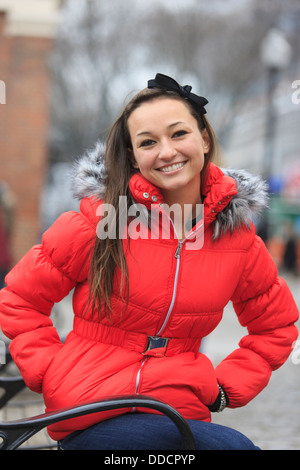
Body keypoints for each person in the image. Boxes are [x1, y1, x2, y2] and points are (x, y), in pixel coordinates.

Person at [0, 74, 298, 450]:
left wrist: (226, 389)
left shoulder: (238, 240)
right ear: (132, 156)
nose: (166, 152)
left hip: (177, 410)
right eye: (148, 142)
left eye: (178, 134)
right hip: (90, 411)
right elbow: (20, 299)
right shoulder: (101, 220)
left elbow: (276, 326)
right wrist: (49, 370)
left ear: (204, 139)